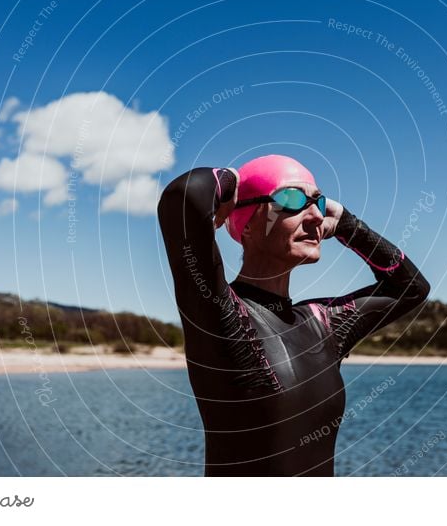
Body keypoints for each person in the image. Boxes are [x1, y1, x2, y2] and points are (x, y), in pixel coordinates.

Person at [157, 154, 430, 476]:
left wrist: (345, 223)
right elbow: (185, 194)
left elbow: (410, 287)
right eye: (292, 199)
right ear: (246, 221)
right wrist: (233, 181)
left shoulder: (323, 324)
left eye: (319, 202)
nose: (315, 216)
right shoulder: (221, 316)